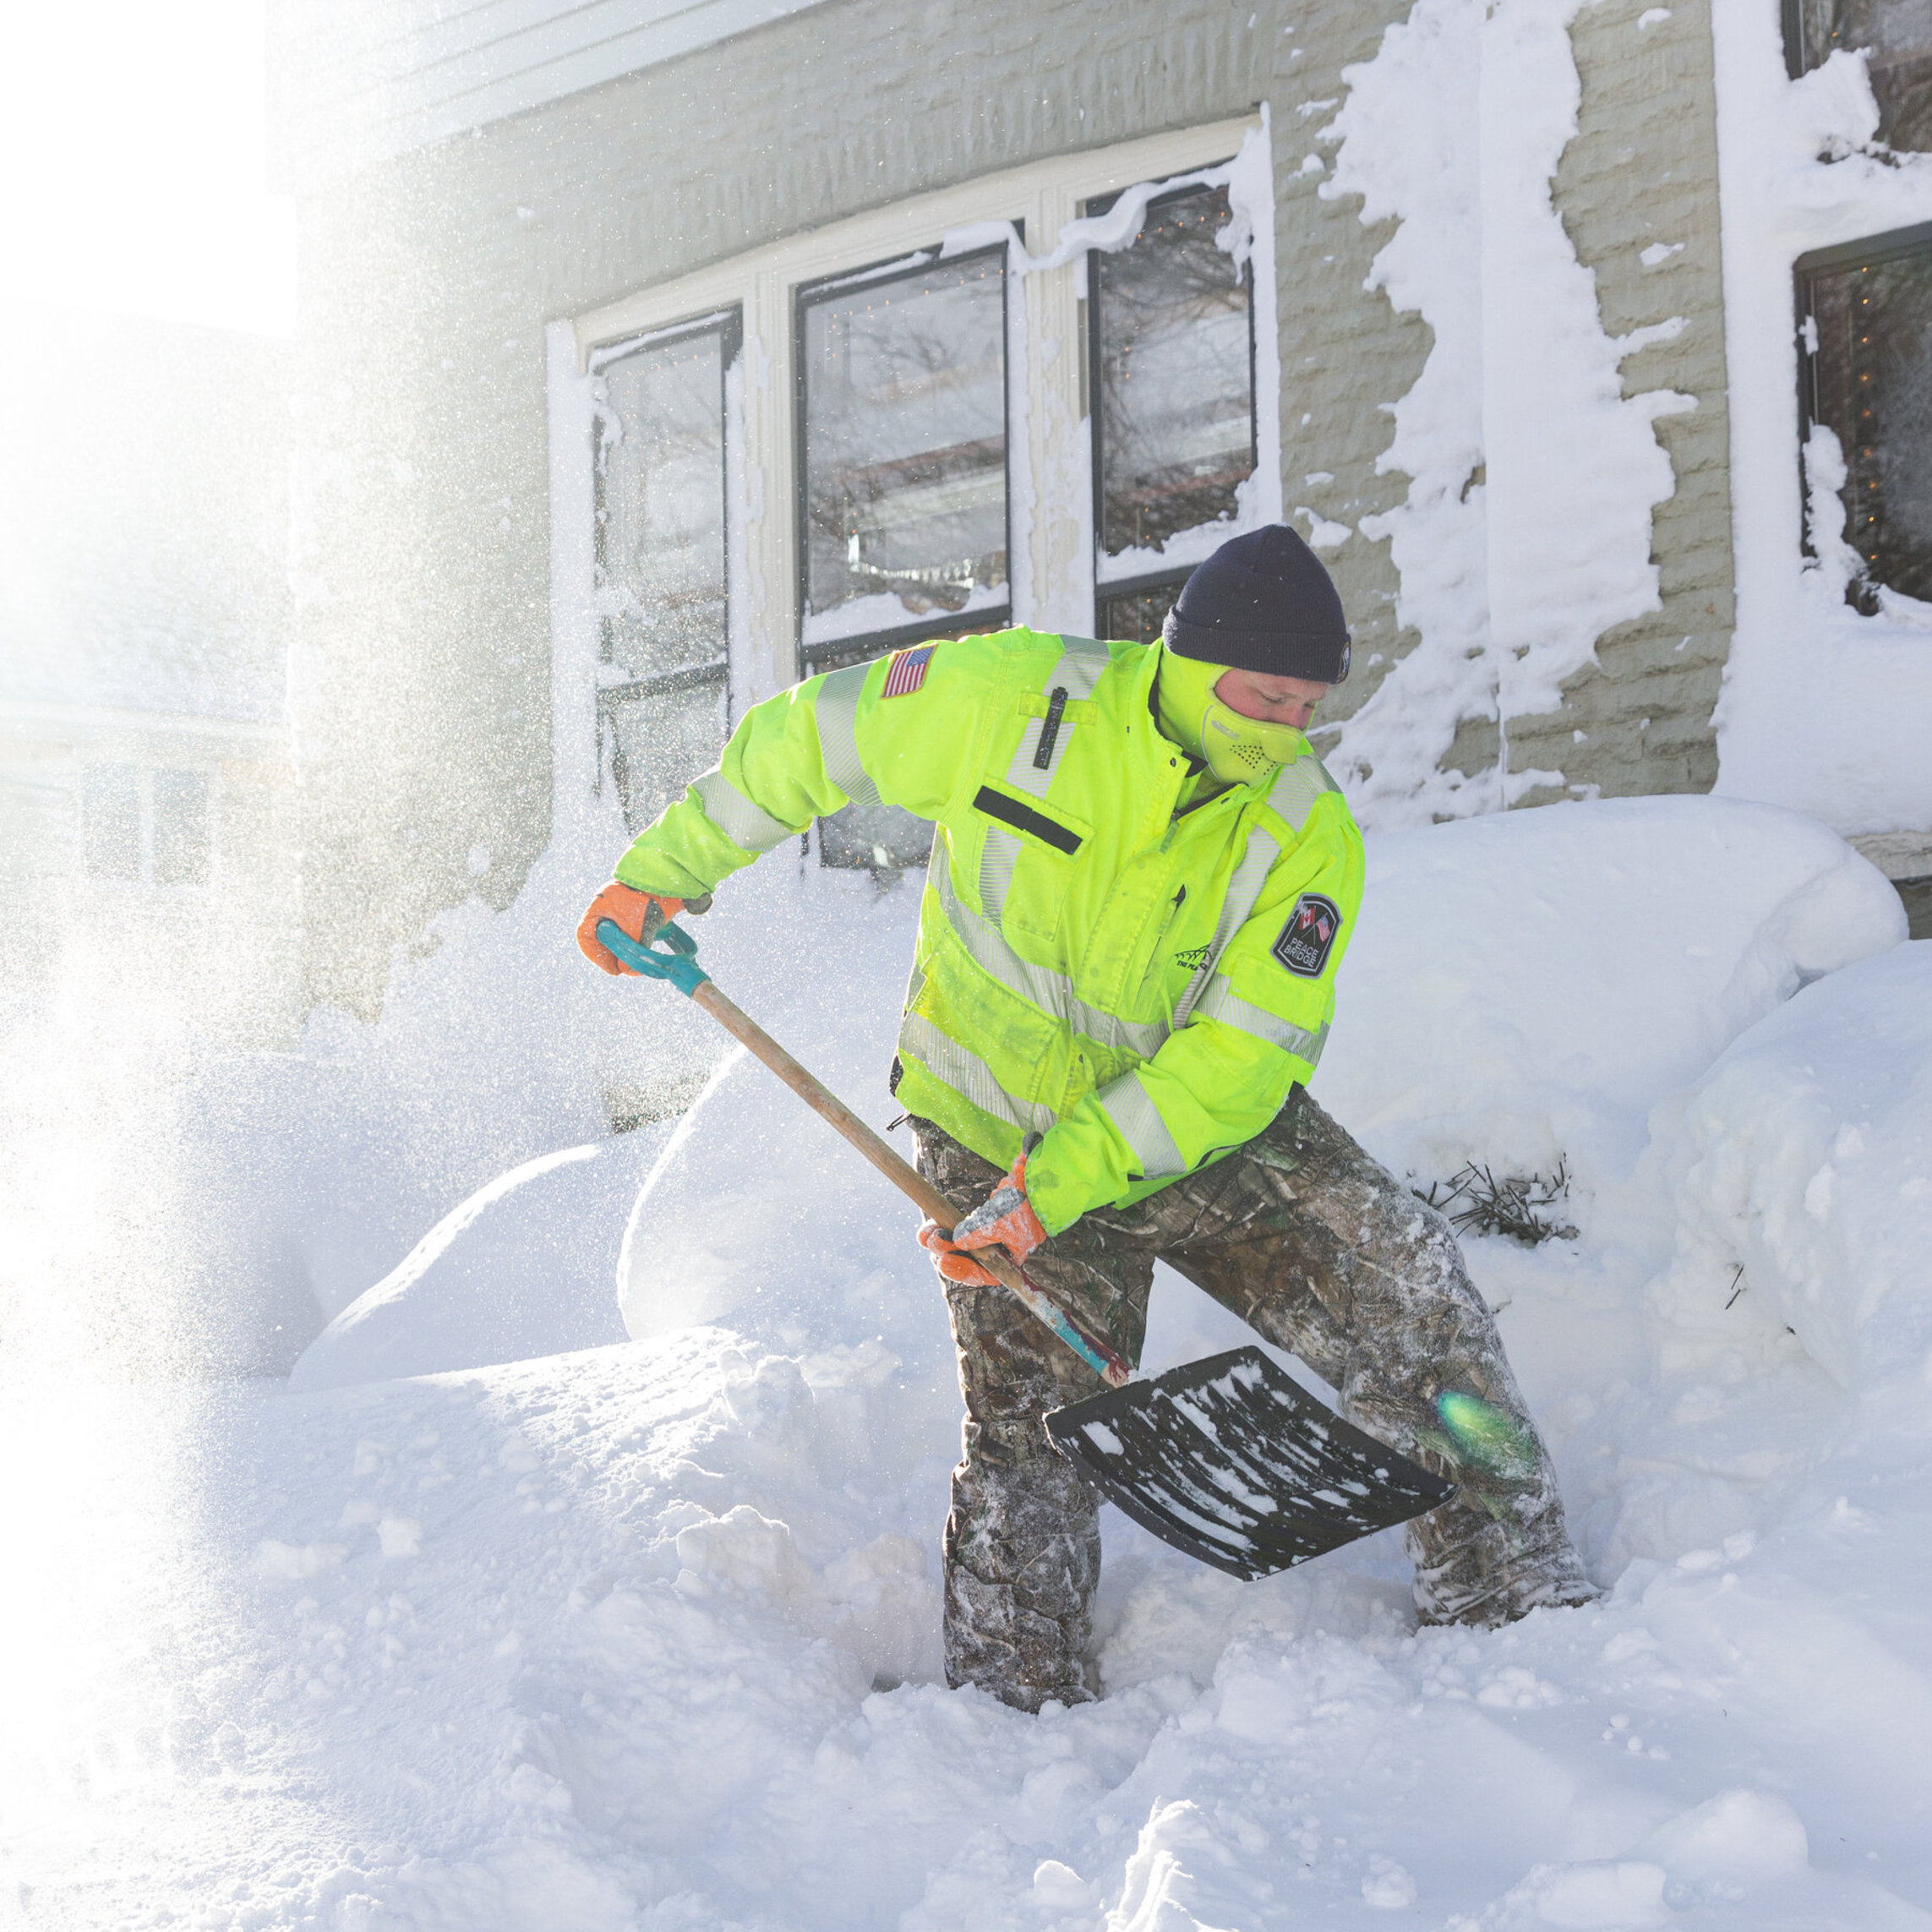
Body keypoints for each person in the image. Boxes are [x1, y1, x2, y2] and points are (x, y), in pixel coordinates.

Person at [577, 525, 1595, 1712]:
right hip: (988, 1129)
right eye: (1260, 698)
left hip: (1190, 1137)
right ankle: (1016, 1707)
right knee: (1031, 1432)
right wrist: (667, 869)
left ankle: (1515, 1604)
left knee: (1409, 1286)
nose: (1280, 732)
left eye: (1305, 708)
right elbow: (814, 737)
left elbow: (1239, 1060)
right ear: (1187, 659)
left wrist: (1061, 1184)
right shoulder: (1017, 701)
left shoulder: (1304, 831)